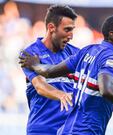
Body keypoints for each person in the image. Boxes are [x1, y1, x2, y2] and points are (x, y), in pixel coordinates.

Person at [19, 15, 113, 135]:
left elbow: (50, 71)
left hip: (67, 130)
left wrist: (35, 65)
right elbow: (107, 90)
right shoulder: (110, 58)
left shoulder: (87, 50)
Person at [19, 5, 80, 134]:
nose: (71, 36)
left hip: (69, 130)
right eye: (67, 30)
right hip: (42, 129)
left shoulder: (76, 54)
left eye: (72, 30)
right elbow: (40, 86)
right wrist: (61, 95)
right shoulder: (30, 53)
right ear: (51, 27)